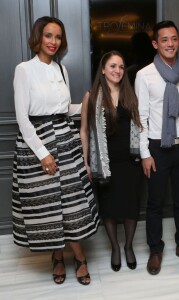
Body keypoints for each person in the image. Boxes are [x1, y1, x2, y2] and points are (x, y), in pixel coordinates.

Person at [12, 16, 100, 285]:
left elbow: (63, 110)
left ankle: (79, 257)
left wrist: (87, 102)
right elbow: (22, 118)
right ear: (38, 37)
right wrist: (43, 153)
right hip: (37, 144)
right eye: (48, 35)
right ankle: (58, 257)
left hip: (66, 140)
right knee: (49, 207)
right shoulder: (24, 69)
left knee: (71, 204)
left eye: (58, 37)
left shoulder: (63, 70)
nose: (53, 41)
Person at [135, 20, 179, 275]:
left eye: (174, 38)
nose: (170, 44)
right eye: (164, 40)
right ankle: (156, 249)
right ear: (155, 44)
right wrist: (144, 153)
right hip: (157, 148)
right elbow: (141, 118)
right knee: (154, 202)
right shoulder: (144, 75)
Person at [80, 50, 143, 272]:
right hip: (104, 163)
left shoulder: (131, 93)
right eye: (113, 66)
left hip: (130, 161)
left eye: (121, 67)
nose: (118, 71)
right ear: (103, 69)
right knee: (108, 207)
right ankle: (115, 247)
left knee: (130, 206)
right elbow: (85, 131)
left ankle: (128, 246)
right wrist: (87, 162)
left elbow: (141, 125)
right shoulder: (91, 96)